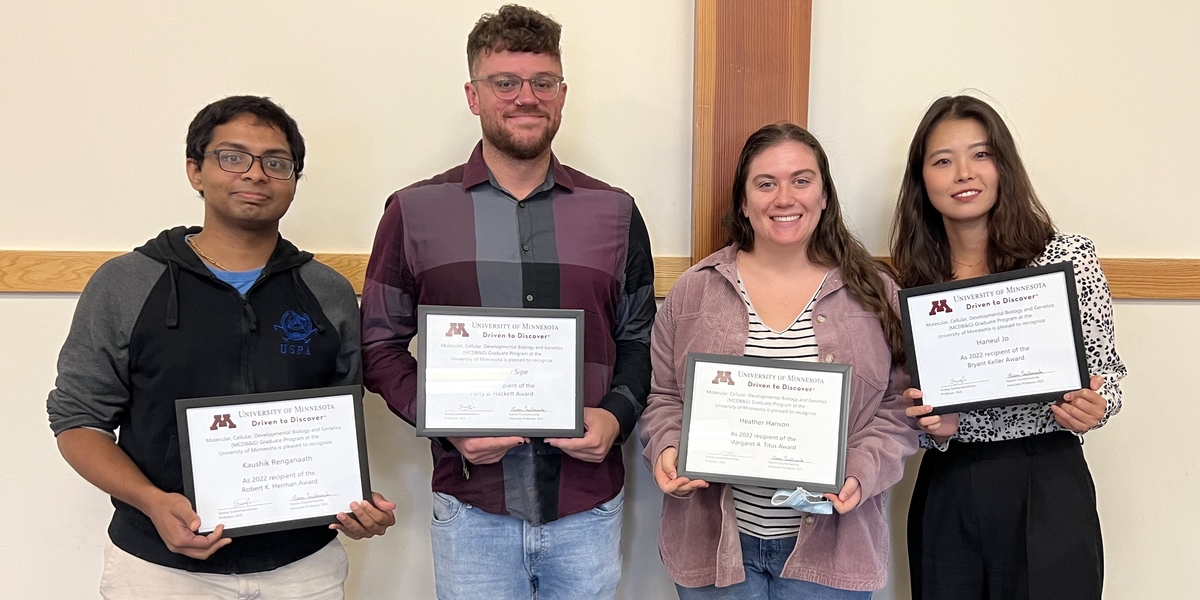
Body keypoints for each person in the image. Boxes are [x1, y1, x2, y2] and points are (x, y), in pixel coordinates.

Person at [47, 95, 395, 600]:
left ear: (294, 180)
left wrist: (351, 503)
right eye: (233, 157)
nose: (256, 174)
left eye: (276, 162)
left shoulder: (328, 292)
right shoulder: (126, 283)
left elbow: (333, 422)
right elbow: (78, 420)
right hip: (158, 570)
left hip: (303, 568)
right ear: (195, 170)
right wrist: (151, 502)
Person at [360, 5, 655, 600]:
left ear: (562, 94)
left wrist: (616, 415)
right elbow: (379, 345)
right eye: (506, 83)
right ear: (473, 95)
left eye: (542, 83)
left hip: (587, 504)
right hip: (473, 506)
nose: (527, 97)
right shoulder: (414, 211)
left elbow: (639, 337)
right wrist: (443, 423)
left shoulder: (615, 212)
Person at [639, 122, 916, 599]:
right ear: (743, 203)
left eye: (801, 180)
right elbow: (664, 395)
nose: (784, 198)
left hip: (833, 551)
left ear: (824, 195)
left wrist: (860, 470)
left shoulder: (875, 293)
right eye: (766, 184)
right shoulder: (696, 290)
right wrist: (667, 449)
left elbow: (899, 407)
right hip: (716, 549)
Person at [892, 95, 1126, 600]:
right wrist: (934, 426)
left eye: (981, 154)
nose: (962, 173)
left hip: (1047, 480)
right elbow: (903, 406)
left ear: (1004, 166)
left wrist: (1094, 408)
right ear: (922, 179)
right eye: (942, 160)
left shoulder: (1066, 260)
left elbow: (1108, 378)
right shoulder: (910, 284)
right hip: (950, 486)